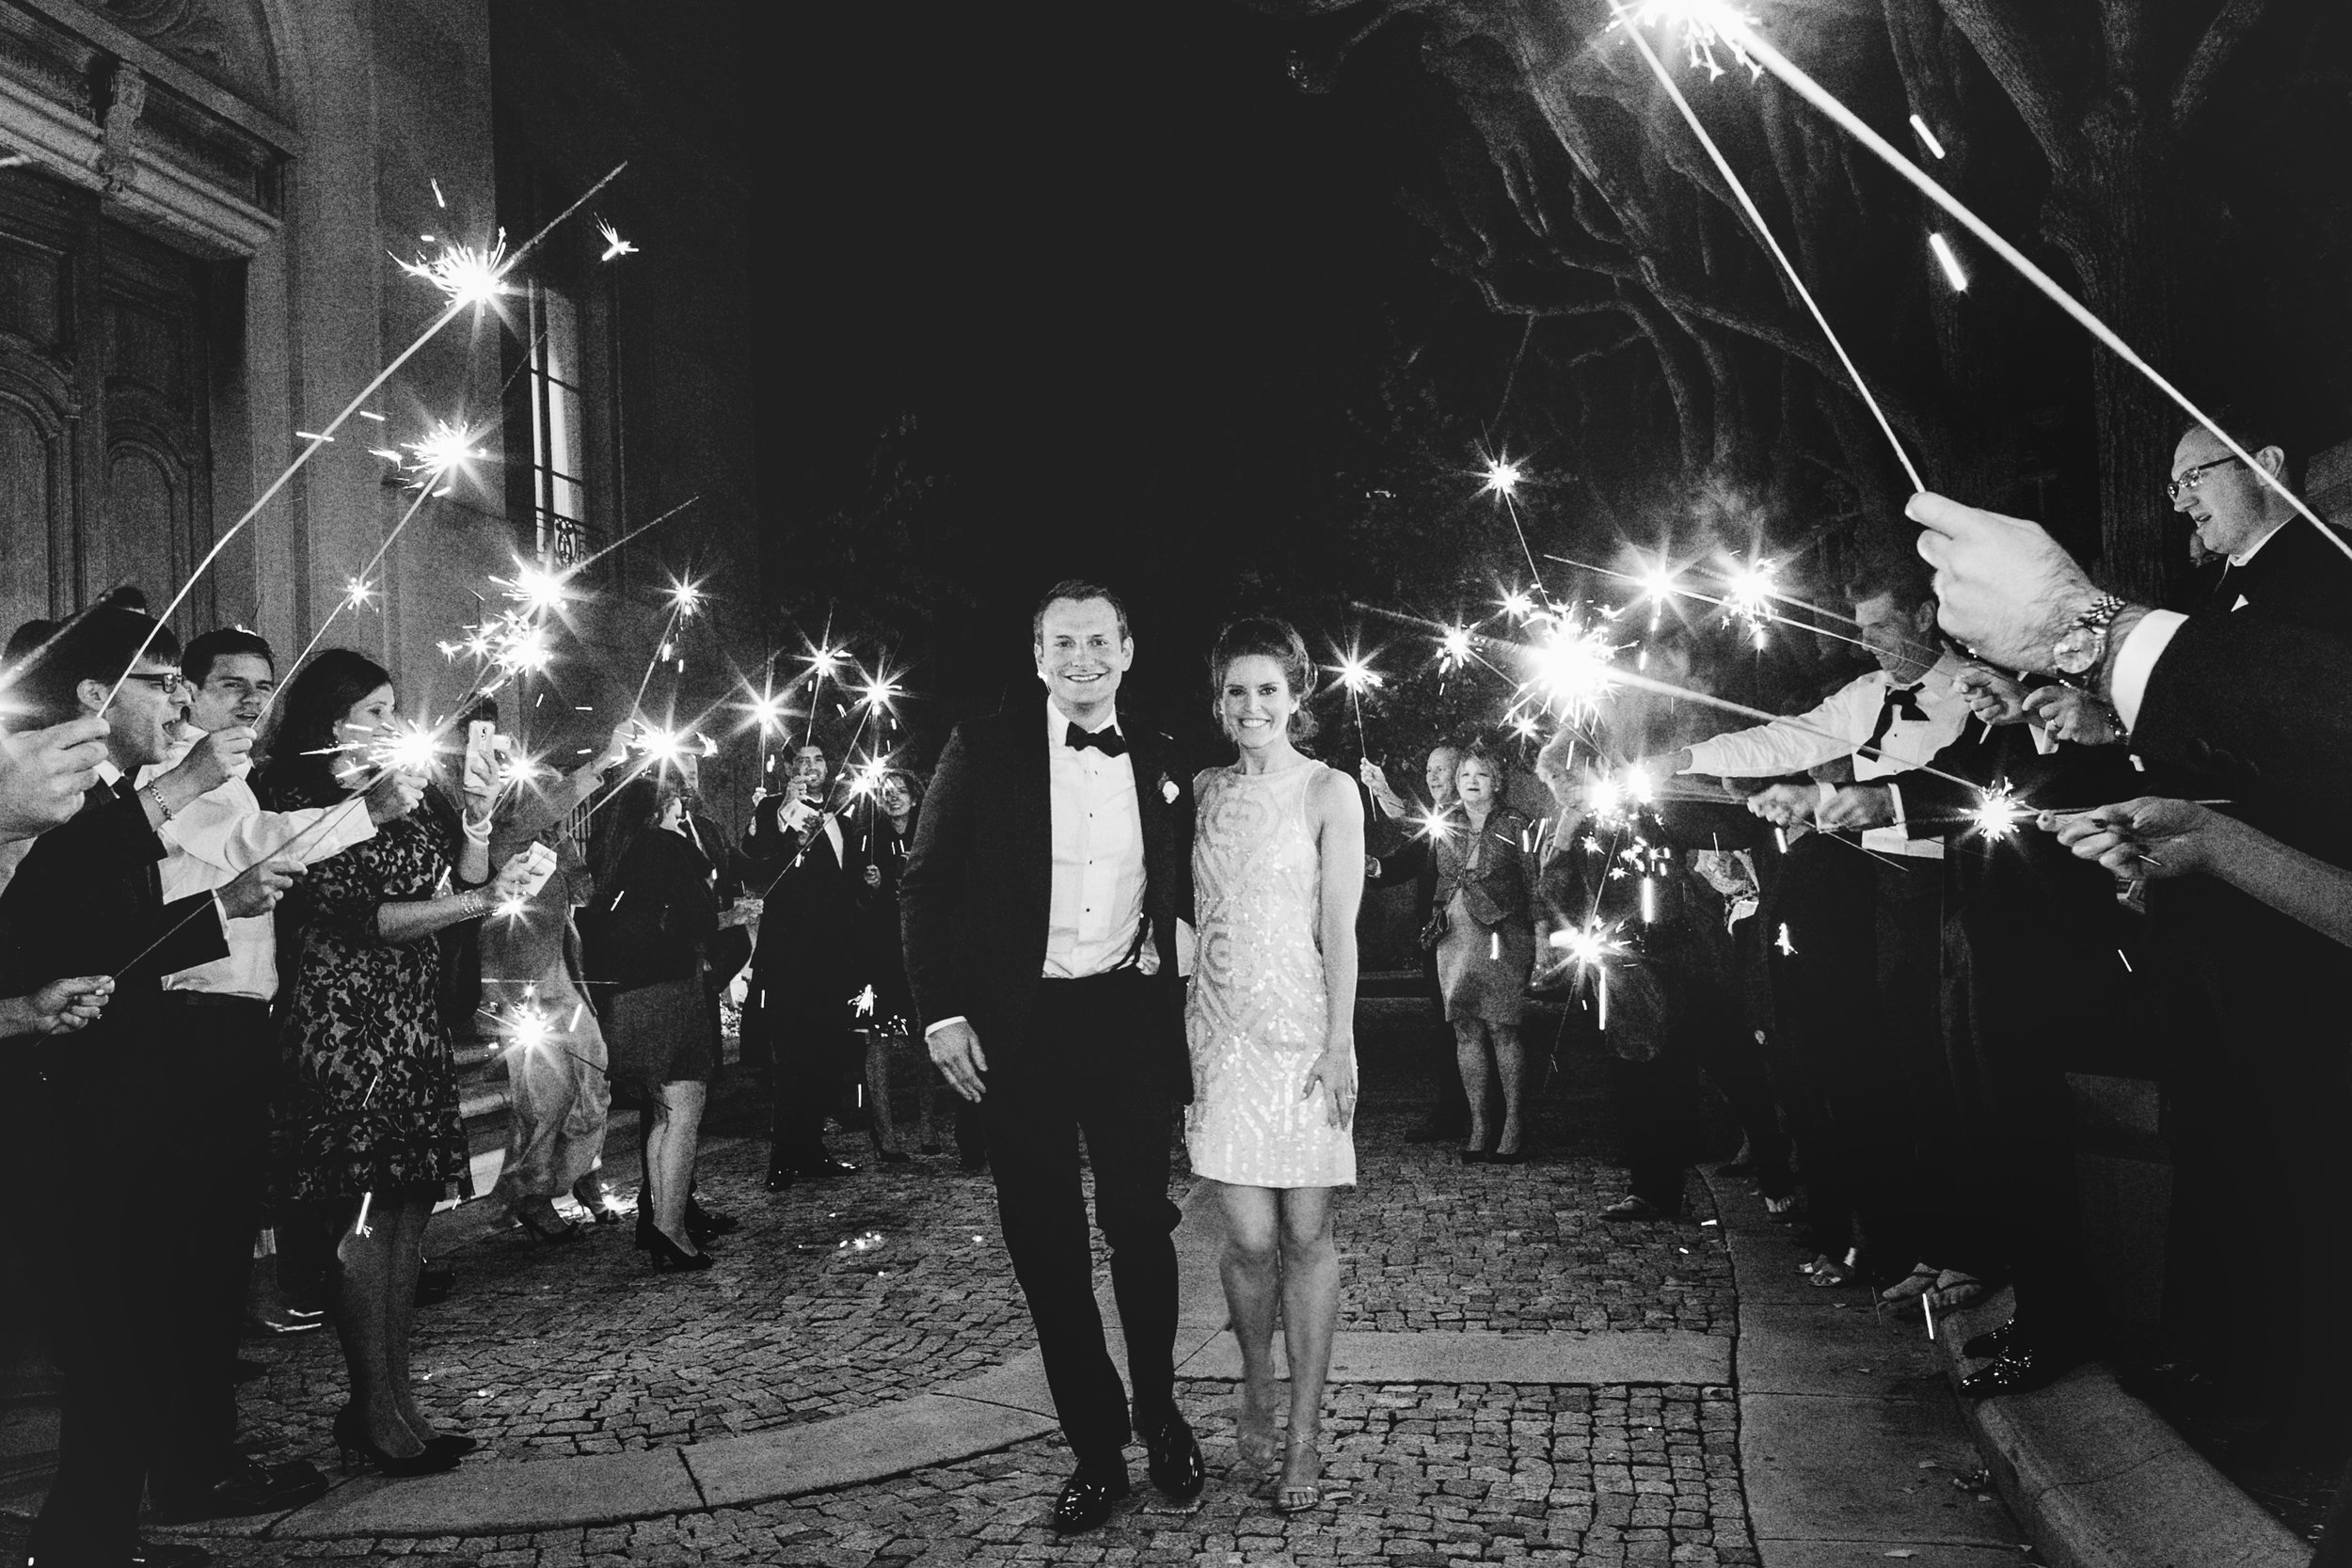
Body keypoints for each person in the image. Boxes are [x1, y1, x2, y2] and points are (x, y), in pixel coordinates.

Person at [900, 579, 1203, 1535]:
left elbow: (1183, 874)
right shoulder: (979, 747)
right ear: (1037, 657)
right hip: (1014, 1031)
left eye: (1097, 640)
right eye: (1062, 642)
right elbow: (924, 883)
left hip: (1121, 1017)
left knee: (1140, 1226)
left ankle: (1159, 1412)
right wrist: (941, 1013)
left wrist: (1172, 933)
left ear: (1126, 649)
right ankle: (1094, 1448)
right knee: (1046, 1247)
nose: (1081, 657)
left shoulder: (1157, 756)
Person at [0, 596, 297, 1568]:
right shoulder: (61, 793)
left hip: (103, 1088)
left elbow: (100, 925)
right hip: (71, 1105)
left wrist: (218, 901)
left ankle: (89, 1538)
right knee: (107, 1346)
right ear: (96, 694)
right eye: (163, 686)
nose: (177, 709)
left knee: (120, 1351)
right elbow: (50, 899)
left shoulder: (97, 795)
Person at [142, 627, 419, 1520]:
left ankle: (206, 1449)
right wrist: (357, 820)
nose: (253, 702)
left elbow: (264, 837)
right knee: (194, 1262)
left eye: (262, 686)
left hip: (235, 1021)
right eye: (231, 686)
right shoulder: (164, 778)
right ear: (185, 691)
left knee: (217, 1261)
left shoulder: (224, 778)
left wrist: (367, 814)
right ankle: (191, 1465)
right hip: (189, 1021)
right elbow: (217, 870)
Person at [1637, 563, 1971, 1287]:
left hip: (1947, 893)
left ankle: (1957, 1251)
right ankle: (1904, 1245)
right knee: (1879, 1080)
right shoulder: (1869, 696)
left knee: (1937, 1082)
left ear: (1924, 615)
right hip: (1869, 900)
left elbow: (1959, 797)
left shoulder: (1971, 695)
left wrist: (1831, 796)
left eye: (1881, 624)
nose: (1867, 641)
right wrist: (1687, 757)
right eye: (1861, 628)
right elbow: (1788, 740)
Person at [258, 649, 534, 1478]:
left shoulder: (409, 802)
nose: (391, 724)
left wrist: (480, 825)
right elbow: (369, 916)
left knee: (408, 1222)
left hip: (407, 1025)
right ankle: (372, 1406)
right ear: (329, 718)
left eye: (391, 708)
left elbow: (453, 886)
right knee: (366, 1224)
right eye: (374, 710)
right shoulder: (297, 800)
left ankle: (396, 1398)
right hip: (344, 1033)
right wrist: (476, 898)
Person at [1186, 616, 1363, 1513]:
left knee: (1304, 1237)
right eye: (1235, 690)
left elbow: (1340, 928)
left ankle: (1301, 1427)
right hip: (1220, 1039)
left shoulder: (1330, 791)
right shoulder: (1203, 791)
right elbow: (1185, 908)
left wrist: (1340, 1041)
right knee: (1248, 1238)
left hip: (1302, 1036)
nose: (1252, 705)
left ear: (1296, 697)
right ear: (1218, 703)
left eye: (1268, 689)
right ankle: (1254, 1377)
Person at [481, 722, 634, 1241]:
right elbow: (539, 813)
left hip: (564, 977)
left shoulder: (549, 837)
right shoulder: (503, 839)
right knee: (543, 1098)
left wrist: (573, 845)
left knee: (594, 1078)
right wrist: (603, 761)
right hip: (521, 986)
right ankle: (533, 1193)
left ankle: (582, 1171)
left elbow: (586, 889)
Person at [589, 771, 731, 1270]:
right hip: (670, 992)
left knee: (663, 1112)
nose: (681, 812)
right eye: (674, 804)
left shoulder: (614, 855)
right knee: (684, 1111)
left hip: (629, 999)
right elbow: (701, 918)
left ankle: (659, 1223)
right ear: (657, 810)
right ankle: (671, 1228)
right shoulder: (666, 848)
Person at [742, 739, 863, 1187]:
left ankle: (813, 1149)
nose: (810, 767)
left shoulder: (842, 817)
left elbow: (845, 886)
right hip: (790, 958)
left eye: (818, 760)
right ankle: (782, 1158)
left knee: (825, 1057)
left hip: (833, 959)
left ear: (828, 768)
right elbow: (756, 863)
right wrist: (783, 814)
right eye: (802, 761)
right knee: (789, 1060)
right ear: (789, 768)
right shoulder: (771, 809)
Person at [1361, 743, 1473, 1143]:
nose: (1432, 776)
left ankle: (1476, 1113)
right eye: (1429, 768)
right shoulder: (1439, 821)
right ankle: (1453, 1110)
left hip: (1469, 935)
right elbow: (1409, 859)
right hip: (1437, 935)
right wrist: (1373, 865)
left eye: (1443, 769)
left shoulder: (1465, 821)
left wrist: (1383, 790)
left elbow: (1411, 823)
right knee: (1447, 1027)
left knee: (1469, 1027)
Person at [1430, 745, 1536, 1162]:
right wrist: (1379, 788)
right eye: (1465, 775)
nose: (1472, 782)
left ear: (1497, 781)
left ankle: (1513, 1123)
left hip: (1501, 936)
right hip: (1453, 936)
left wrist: (1542, 934)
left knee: (1503, 1028)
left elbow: (1533, 880)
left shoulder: (1515, 822)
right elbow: (1407, 821)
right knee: (1465, 1028)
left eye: (1482, 775)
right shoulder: (1447, 822)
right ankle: (1479, 1124)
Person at [855, 766, 966, 1163]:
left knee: (924, 1035)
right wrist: (869, 890)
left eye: (901, 790)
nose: (894, 797)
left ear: (915, 797)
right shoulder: (867, 837)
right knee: (879, 1038)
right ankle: (884, 1130)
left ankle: (927, 1122)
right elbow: (852, 900)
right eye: (887, 791)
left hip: (920, 946)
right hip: (881, 949)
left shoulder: (929, 832)